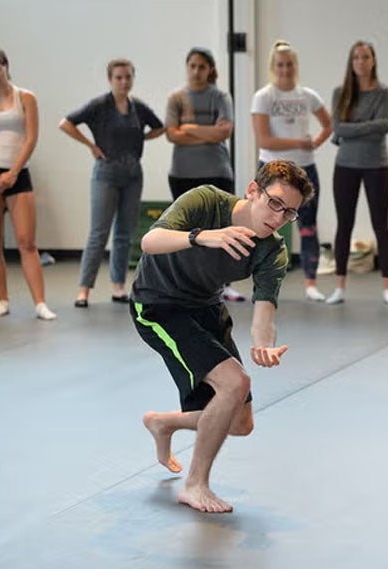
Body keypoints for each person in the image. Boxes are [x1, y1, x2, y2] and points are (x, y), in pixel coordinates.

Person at [132, 159, 314, 513]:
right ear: (252, 191)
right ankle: (195, 485)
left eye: (289, 212)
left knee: (241, 423)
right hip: (158, 304)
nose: (278, 217)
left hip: (204, 307)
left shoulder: (271, 249)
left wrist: (263, 344)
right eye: (274, 203)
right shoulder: (206, 200)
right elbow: (149, 241)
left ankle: (163, 422)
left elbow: (265, 310)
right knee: (234, 384)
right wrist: (204, 236)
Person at [60, 58, 165, 307]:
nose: (124, 81)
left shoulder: (137, 107)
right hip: (106, 173)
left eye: (128, 77)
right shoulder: (99, 105)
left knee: (124, 233)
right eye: (119, 77)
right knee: (98, 232)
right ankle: (84, 289)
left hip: (132, 173)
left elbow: (160, 128)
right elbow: (66, 123)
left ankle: (118, 286)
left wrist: (140, 139)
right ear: (110, 79)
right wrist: (91, 146)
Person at [0, 48, 55, 320]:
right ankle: (2, 300)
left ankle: (40, 303)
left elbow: (30, 137)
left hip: (18, 174)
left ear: (6, 67)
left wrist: (13, 172)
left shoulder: (26, 98)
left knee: (26, 241)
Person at [251, 40, 332, 302]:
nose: (285, 69)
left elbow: (328, 125)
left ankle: (311, 282)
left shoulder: (307, 95)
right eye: (280, 65)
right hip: (272, 168)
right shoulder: (264, 97)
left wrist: (314, 144)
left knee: (308, 225)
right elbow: (264, 140)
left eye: (289, 64)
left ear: (295, 66)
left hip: (303, 168)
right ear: (273, 67)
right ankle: (259, 281)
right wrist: (300, 142)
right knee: (262, 224)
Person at [165, 46, 246, 303]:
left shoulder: (221, 97)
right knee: (186, 231)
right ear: (187, 67)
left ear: (210, 69)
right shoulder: (176, 98)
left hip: (217, 171)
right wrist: (206, 132)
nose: (197, 71)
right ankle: (189, 283)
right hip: (183, 174)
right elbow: (171, 134)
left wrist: (188, 127)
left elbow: (223, 133)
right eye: (192, 66)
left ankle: (224, 284)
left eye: (202, 66)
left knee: (222, 229)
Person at [325, 41, 388, 306]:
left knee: (381, 224)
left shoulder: (385, 93)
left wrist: (351, 127)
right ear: (351, 62)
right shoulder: (340, 93)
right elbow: (338, 128)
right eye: (356, 57)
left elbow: (385, 126)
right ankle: (340, 286)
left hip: (377, 165)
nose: (361, 61)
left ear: (373, 60)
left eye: (365, 57)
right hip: (345, 165)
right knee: (344, 225)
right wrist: (366, 127)